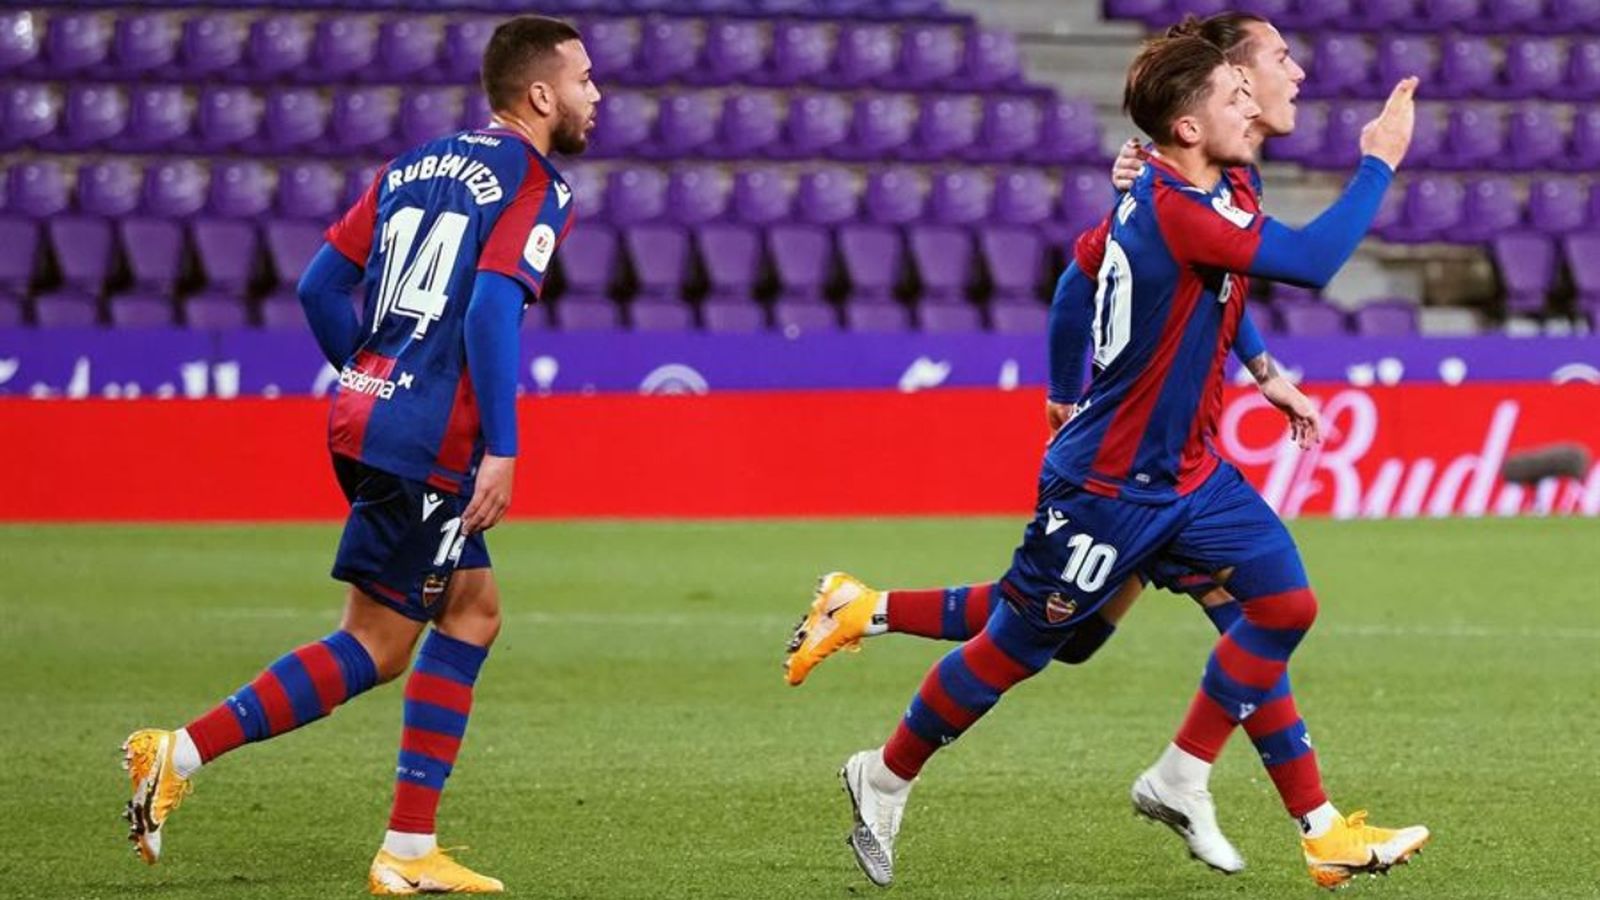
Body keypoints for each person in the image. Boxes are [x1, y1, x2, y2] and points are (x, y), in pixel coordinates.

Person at [830, 35, 1428, 891]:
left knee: (1283, 605)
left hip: (1189, 476)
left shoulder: (1210, 182)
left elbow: (1206, 278)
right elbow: (1305, 262)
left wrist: (1261, 372)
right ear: (1191, 122)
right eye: (1243, 87)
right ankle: (883, 775)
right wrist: (1378, 162)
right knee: (1022, 645)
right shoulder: (1175, 206)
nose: (1263, 97)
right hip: (1108, 487)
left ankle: (1213, 787)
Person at [119, 15, 599, 894]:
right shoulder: (537, 182)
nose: (594, 95)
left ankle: (412, 850)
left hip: (365, 417)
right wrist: (503, 446)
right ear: (539, 95)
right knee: (377, 646)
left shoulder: (412, 165)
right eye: (583, 80)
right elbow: (493, 309)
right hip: (427, 441)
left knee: (471, 610)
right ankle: (179, 752)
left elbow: (318, 285)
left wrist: (372, 373)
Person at [785, 12, 1317, 695]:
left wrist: (1265, 371)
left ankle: (863, 609)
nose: (1293, 73)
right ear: (1230, 81)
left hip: (1173, 459)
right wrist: (1064, 392)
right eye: (1276, 60)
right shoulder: (1168, 190)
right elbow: (1076, 284)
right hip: (1140, 461)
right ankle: (1278, 800)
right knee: (1247, 619)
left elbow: (1220, 290)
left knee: (1071, 632)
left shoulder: (1221, 180)